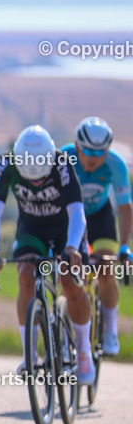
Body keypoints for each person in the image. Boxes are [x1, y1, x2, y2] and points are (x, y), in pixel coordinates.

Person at [0, 125, 94, 384]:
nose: (36, 183)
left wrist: (73, 248)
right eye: (30, 178)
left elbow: (77, 213)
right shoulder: (7, 163)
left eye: (41, 178)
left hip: (66, 228)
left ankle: (84, 353)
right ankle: (29, 355)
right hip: (31, 228)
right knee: (24, 274)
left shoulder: (62, 162)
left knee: (69, 281)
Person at [60, 117, 132, 356]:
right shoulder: (63, 158)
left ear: (108, 150)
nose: (93, 157)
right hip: (70, 217)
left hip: (100, 217)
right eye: (87, 150)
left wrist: (124, 246)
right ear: (77, 146)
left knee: (106, 268)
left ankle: (110, 331)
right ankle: (68, 325)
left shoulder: (116, 164)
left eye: (100, 152)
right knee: (68, 271)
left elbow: (124, 208)